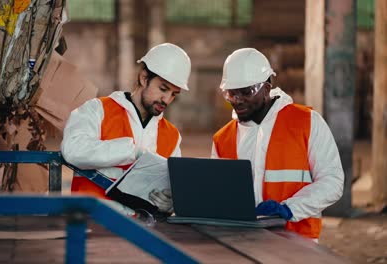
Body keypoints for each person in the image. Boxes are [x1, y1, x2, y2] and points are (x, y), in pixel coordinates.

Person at [212, 48, 344, 240]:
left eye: (245, 92)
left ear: (266, 89)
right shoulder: (223, 139)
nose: (237, 100)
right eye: (231, 94)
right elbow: (217, 193)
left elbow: (332, 181)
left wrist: (289, 208)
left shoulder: (306, 122)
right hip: (242, 241)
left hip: (298, 242)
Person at [61, 43, 191, 213]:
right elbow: (72, 150)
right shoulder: (97, 110)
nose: (166, 100)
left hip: (142, 233)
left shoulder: (172, 135)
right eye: (163, 89)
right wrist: (131, 151)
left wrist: (170, 204)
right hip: (92, 225)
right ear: (144, 78)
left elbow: (172, 185)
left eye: (174, 94)